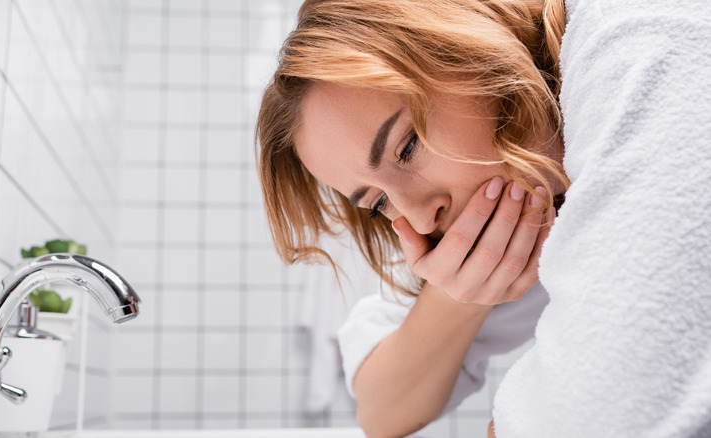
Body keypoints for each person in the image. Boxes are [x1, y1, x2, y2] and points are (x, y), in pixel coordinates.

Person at [256, 0, 711, 437]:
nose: (417, 216)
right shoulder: (498, 205)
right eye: (379, 202)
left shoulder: (635, 35)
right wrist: (464, 294)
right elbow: (382, 412)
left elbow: (606, 417)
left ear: (468, 45)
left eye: (407, 147)